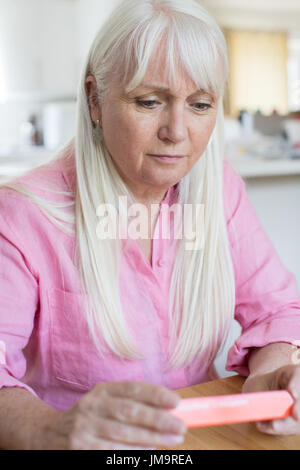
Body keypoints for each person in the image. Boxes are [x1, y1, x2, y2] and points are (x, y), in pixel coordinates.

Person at [0, 0, 300, 450]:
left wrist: (272, 372)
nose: (176, 131)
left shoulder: (220, 191)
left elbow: (278, 310)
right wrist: (50, 430)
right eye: (149, 102)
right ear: (95, 100)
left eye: (200, 104)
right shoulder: (23, 216)